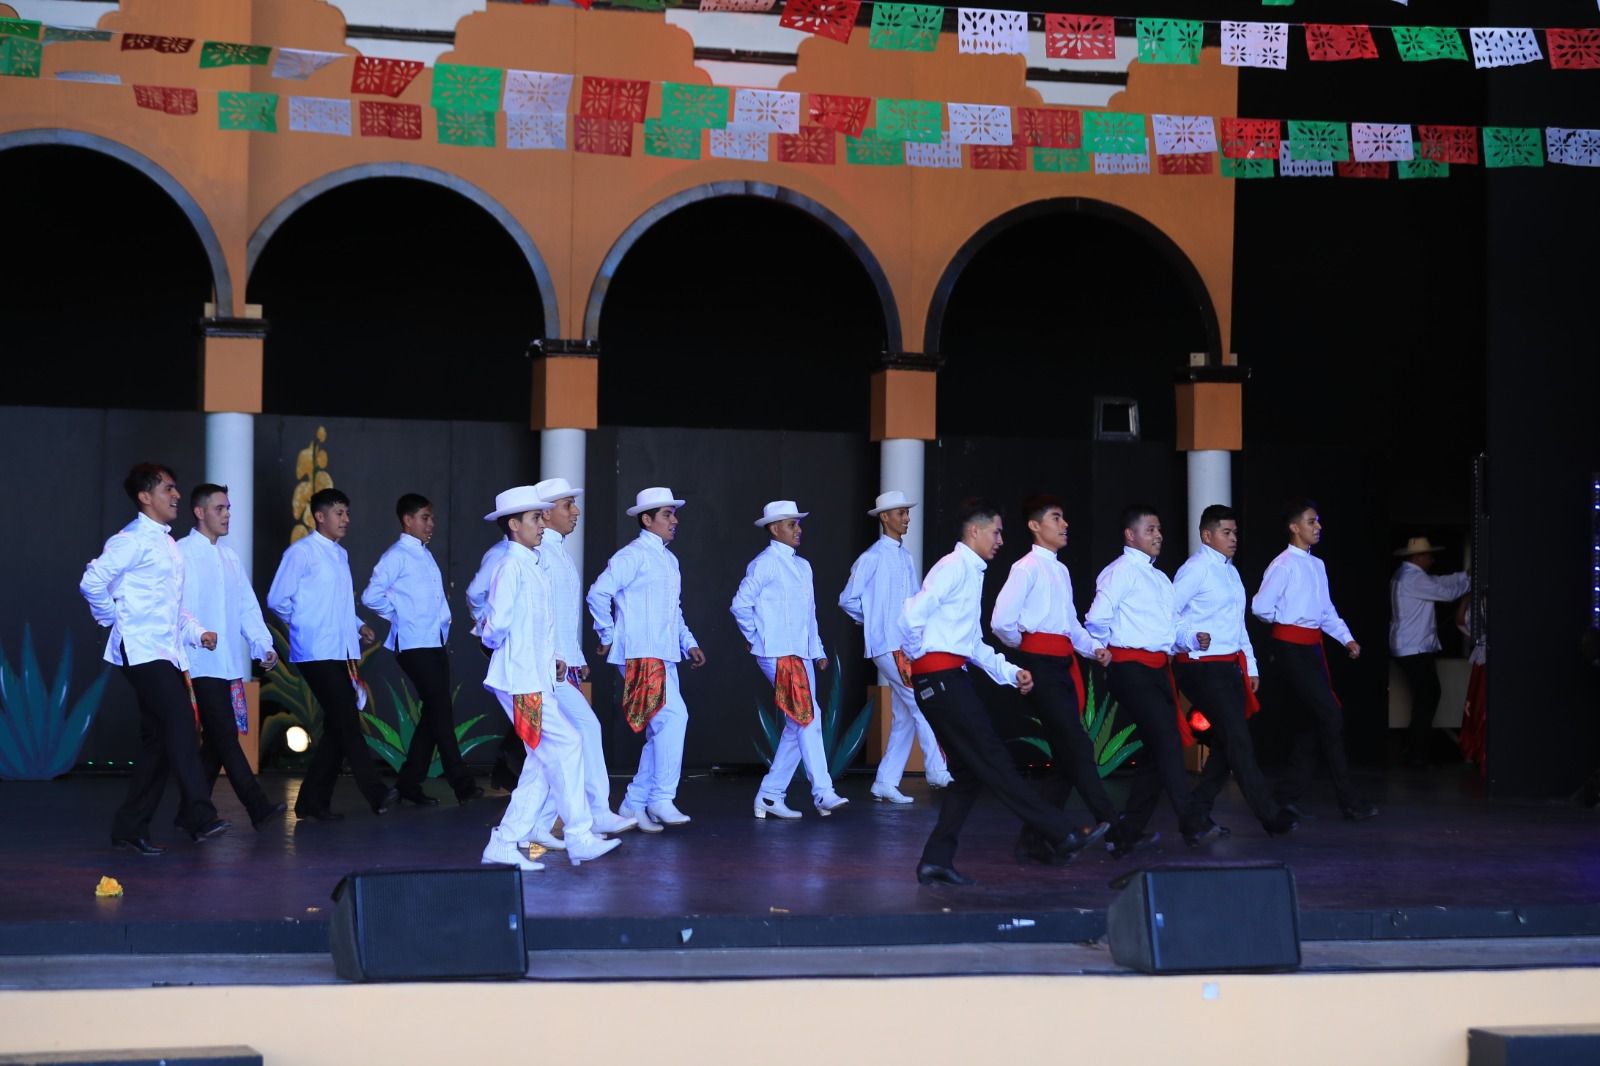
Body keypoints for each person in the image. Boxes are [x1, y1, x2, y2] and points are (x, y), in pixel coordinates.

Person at [898, 498, 1098, 885]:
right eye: (996, 531)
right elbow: (910, 615)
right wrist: (918, 655)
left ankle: (935, 859)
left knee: (970, 774)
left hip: (947, 676)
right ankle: (1061, 832)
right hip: (941, 679)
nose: (1001, 540)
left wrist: (1011, 671)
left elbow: (972, 643)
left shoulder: (972, 572)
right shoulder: (954, 567)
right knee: (994, 759)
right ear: (975, 531)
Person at [81, 462, 231, 853]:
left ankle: (130, 827)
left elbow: (173, 606)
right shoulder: (132, 539)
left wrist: (199, 633)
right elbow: (92, 580)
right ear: (145, 497)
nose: (176, 495)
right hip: (142, 649)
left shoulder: (166, 543)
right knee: (181, 721)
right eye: (168, 489)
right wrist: (113, 618)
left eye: (176, 488)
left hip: (166, 650)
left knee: (160, 740)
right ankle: (199, 814)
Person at [476, 486, 621, 869]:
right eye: (535, 518)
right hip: (521, 681)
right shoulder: (511, 566)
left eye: (542, 517)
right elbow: (499, 625)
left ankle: (509, 840)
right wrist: (490, 637)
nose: (542, 525)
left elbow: (536, 623)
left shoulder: (531, 562)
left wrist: (555, 657)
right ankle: (577, 836)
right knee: (567, 743)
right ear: (514, 524)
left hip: (534, 678)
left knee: (542, 760)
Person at [508, 478, 638, 849]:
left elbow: (561, 618)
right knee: (576, 735)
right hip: (545, 669)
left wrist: (575, 659)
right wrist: (558, 659)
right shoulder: (540, 555)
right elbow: (538, 616)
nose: (576, 512)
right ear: (546, 514)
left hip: (558, 665)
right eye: (568, 505)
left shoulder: (556, 552)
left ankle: (540, 823)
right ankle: (591, 813)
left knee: (559, 745)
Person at [990, 495, 1119, 859]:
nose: (1065, 525)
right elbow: (1001, 622)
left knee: (1065, 761)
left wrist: (1093, 648)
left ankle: (1033, 841)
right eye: (1056, 518)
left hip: (1062, 663)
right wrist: (1027, 646)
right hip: (1042, 666)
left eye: (1064, 518)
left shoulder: (1060, 570)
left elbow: (1070, 626)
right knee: (1077, 744)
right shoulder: (1025, 567)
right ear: (1035, 526)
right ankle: (1113, 826)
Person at [1086, 504, 1217, 853]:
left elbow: (1172, 627)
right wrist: (1102, 648)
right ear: (1131, 535)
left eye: (1160, 529)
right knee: (1167, 738)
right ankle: (1192, 821)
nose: (1158, 535)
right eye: (1151, 529)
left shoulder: (1160, 578)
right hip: (1130, 669)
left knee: (1154, 755)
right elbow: (1096, 619)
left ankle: (1126, 833)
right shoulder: (1120, 572)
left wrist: (1191, 639)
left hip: (1158, 670)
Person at [266, 488, 397, 821]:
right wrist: (305, 624)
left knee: (339, 726)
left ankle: (311, 802)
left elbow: (336, 604)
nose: (346, 520)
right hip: (315, 651)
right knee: (347, 721)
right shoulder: (302, 553)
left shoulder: (340, 555)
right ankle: (376, 792)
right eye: (339, 513)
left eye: (347, 513)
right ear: (319, 516)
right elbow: (277, 599)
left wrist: (357, 624)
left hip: (341, 650)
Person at [1171, 505, 1296, 837]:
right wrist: (1189, 637)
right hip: (1199, 666)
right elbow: (1167, 611)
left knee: (1228, 742)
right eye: (1226, 533)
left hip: (1228, 666)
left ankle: (1196, 814)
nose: (1233, 539)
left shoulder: (1230, 572)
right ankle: (1269, 814)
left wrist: (1251, 666)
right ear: (1207, 535)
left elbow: (1238, 625)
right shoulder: (1194, 570)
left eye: (1235, 533)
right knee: (1237, 738)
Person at [586, 487, 705, 833]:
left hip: (664, 653)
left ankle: (635, 802)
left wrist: (688, 642)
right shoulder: (632, 555)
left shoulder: (669, 559)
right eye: (667, 515)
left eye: (674, 514)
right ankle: (660, 797)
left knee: (661, 729)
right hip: (642, 653)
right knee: (674, 717)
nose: (675, 521)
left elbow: (674, 610)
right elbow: (599, 592)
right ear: (647, 519)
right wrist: (607, 635)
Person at [1252, 499, 1378, 821]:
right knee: (1330, 717)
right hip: (1291, 650)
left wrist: (1346, 638)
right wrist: (1286, 623)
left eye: (1318, 521)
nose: (1318, 527)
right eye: (1311, 522)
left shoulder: (1317, 565)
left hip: (1311, 648)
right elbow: (1260, 607)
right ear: (1295, 528)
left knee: (1310, 725)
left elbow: (1326, 611)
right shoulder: (1282, 565)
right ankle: (1348, 800)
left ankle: (1286, 794)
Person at [361, 493, 482, 806]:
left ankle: (409, 783)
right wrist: (400, 615)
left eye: (431, 517)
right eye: (425, 517)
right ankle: (463, 785)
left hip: (434, 641)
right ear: (408, 520)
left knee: (435, 712)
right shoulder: (396, 555)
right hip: (413, 644)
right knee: (441, 712)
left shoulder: (423, 554)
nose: (431, 524)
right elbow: (371, 596)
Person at [178, 483, 287, 830]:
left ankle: (187, 813)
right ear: (199, 512)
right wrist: (198, 634)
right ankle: (257, 807)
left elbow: (246, 607)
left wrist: (262, 645)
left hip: (224, 664)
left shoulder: (229, 557)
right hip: (195, 662)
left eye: (228, 509)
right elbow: (177, 608)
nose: (227, 515)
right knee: (224, 735)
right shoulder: (181, 553)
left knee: (216, 742)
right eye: (220, 508)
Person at [732, 500, 849, 819]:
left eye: (798, 524)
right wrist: (756, 637)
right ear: (774, 528)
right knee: (807, 716)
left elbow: (809, 614)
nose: (798, 529)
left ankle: (770, 795)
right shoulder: (765, 563)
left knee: (799, 721)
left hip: (802, 652)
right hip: (777, 652)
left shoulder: (803, 566)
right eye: (791, 524)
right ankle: (823, 792)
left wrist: (819, 649)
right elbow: (740, 605)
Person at [839, 490, 950, 803]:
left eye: (906, 513)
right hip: (886, 645)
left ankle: (885, 782)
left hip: (905, 644)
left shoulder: (905, 557)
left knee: (904, 715)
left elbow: (913, 601)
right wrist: (872, 620)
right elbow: (847, 599)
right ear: (884, 517)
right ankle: (937, 769)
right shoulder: (872, 557)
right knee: (921, 703)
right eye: (900, 513)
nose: (906, 518)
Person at [1388, 536, 1470, 766]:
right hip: (1414, 647)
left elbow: (1439, 582)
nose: (1432, 559)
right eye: (1429, 555)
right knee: (1428, 697)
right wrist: (1470, 582)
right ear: (1418, 557)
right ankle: (1416, 753)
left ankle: (1414, 749)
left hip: (1410, 646)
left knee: (1425, 697)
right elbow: (1446, 593)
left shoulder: (1407, 576)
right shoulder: (1413, 579)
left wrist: (1464, 576)